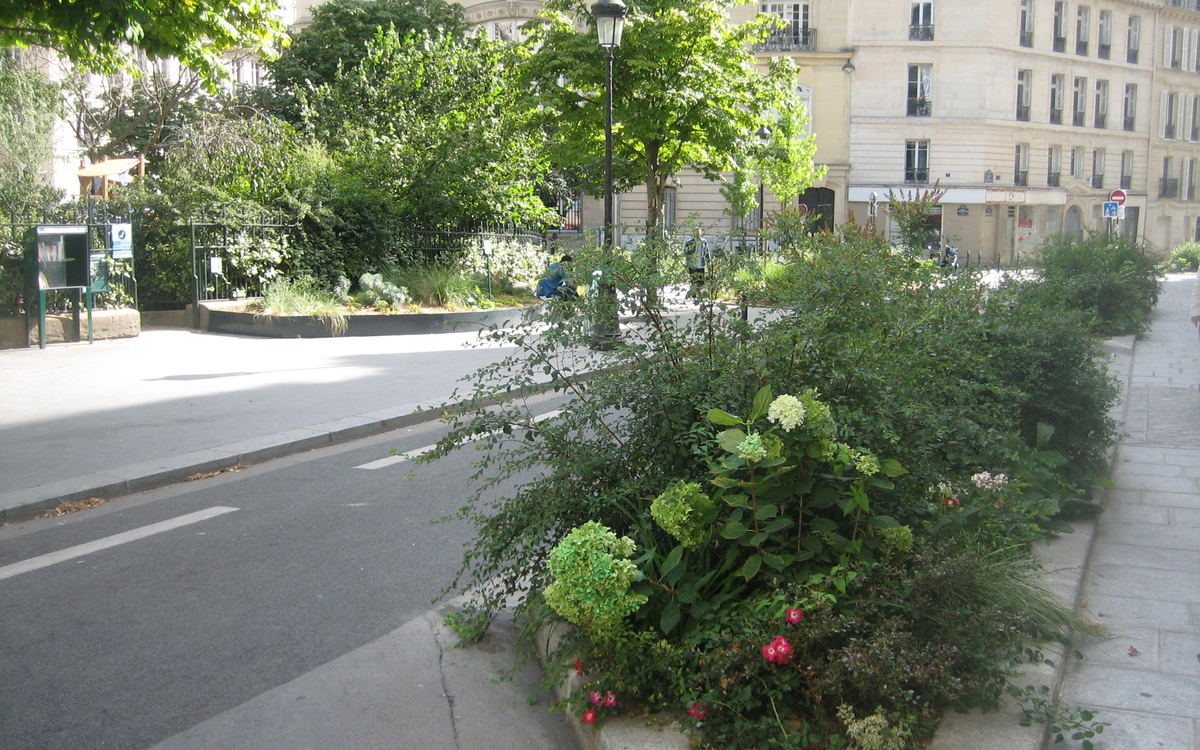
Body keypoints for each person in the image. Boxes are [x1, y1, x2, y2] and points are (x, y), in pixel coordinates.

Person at [684, 229, 711, 299]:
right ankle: (694, 293)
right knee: (693, 279)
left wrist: (709, 262)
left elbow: (707, 252)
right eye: (695, 232)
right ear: (693, 233)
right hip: (692, 264)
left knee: (701, 280)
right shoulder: (689, 242)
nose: (697, 233)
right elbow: (686, 252)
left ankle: (699, 291)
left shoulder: (704, 242)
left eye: (698, 232)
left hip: (701, 264)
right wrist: (690, 257)